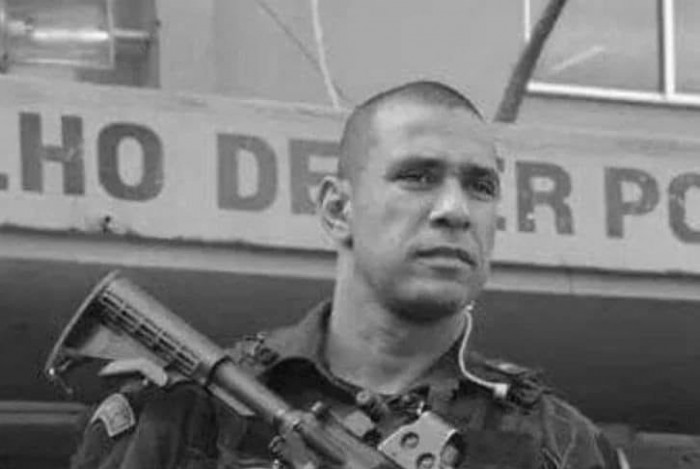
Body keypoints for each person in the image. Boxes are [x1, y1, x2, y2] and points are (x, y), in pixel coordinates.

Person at [70, 81, 624, 469]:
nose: (455, 210)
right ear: (337, 209)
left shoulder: (559, 442)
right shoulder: (184, 414)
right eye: (418, 177)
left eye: (481, 187)